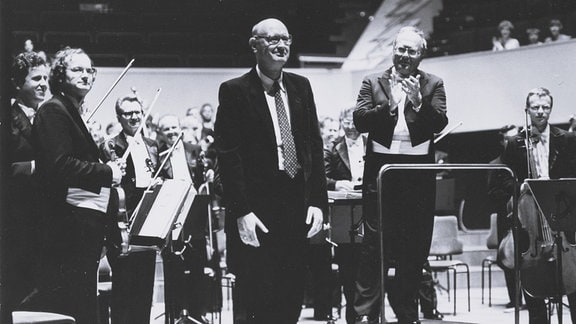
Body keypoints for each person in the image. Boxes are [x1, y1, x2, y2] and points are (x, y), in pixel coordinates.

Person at [214, 18, 328, 323]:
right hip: (257, 212)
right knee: (255, 297)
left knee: (291, 295)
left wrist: (318, 202)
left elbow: (313, 147)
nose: (281, 45)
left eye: (286, 39)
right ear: (254, 45)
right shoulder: (234, 90)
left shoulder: (301, 86)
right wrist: (241, 211)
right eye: (272, 39)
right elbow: (228, 156)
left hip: (296, 208)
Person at [352, 26, 448, 324]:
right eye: (401, 49)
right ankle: (365, 316)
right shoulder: (373, 81)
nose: (405, 55)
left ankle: (407, 314)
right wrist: (390, 104)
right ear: (393, 49)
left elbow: (439, 123)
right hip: (381, 175)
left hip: (416, 177)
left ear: (421, 55)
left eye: (412, 50)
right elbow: (359, 120)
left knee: (414, 249)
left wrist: (419, 101)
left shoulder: (433, 83)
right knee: (373, 250)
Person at [27, 47, 124, 323]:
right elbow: (60, 165)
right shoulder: (54, 111)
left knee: (81, 305)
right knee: (71, 307)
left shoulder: (70, 111)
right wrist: (107, 172)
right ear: (60, 75)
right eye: (77, 70)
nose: (85, 75)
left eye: (89, 70)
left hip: (79, 228)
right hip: (65, 231)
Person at [495, 87, 576, 324]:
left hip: (563, 222)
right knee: (535, 304)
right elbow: (503, 182)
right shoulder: (514, 143)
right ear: (527, 110)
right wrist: (520, 187)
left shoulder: (569, 140)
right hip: (530, 228)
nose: (541, 112)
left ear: (551, 108)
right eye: (535, 107)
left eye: (545, 107)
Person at [99, 94, 161, 324]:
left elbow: (157, 175)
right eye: (128, 113)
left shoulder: (152, 145)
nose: (134, 117)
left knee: (145, 288)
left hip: (147, 222)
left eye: (137, 112)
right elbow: (111, 184)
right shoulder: (110, 145)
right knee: (124, 289)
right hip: (122, 223)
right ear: (119, 117)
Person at [156, 114, 212, 323]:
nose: (171, 132)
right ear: (160, 133)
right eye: (166, 129)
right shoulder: (158, 156)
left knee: (197, 265)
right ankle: (176, 315)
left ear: (179, 129)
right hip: (172, 214)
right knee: (174, 268)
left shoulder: (193, 151)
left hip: (193, 212)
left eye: (174, 127)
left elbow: (203, 177)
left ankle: (198, 314)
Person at [5, 51, 49, 317]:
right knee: (19, 296)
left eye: (46, 77)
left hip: (45, 222)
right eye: (36, 78)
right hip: (16, 222)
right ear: (17, 83)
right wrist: (36, 167)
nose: (44, 83)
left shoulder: (48, 117)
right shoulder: (7, 119)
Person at [487, 124, 522, 308]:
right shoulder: (496, 164)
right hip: (507, 217)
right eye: (510, 139)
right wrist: (512, 195)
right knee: (509, 258)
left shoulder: (525, 161)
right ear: (502, 142)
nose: (515, 143)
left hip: (528, 216)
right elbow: (492, 193)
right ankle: (515, 299)